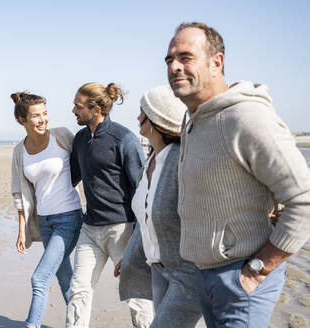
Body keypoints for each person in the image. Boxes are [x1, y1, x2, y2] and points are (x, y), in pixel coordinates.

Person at [165, 22, 310, 327]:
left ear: (216, 62)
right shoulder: (191, 119)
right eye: (170, 60)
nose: (175, 67)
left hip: (242, 278)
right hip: (204, 275)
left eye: (186, 57)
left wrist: (260, 268)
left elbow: (304, 198)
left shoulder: (247, 117)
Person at [66, 82, 154, 328]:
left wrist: (137, 237)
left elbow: (141, 188)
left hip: (122, 230)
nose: (73, 110)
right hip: (90, 228)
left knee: (137, 297)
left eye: (78, 106)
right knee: (78, 290)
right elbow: (71, 178)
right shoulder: (81, 139)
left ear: (95, 109)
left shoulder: (124, 138)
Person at [116, 85, 203, 327]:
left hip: (187, 272)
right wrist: (130, 255)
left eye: (141, 112)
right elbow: (146, 217)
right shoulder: (149, 161)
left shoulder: (182, 160)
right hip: (158, 268)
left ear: (154, 120)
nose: (136, 117)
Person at [10, 91, 83, 328]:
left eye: (45, 113)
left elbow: (87, 162)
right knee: (64, 277)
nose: (43, 120)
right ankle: (78, 323)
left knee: (40, 278)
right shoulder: (20, 151)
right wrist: (22, 230)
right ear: (23, 120)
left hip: (69, 218)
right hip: (44, 221)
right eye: (36, 115)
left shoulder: (61, 136)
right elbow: (20, 193)